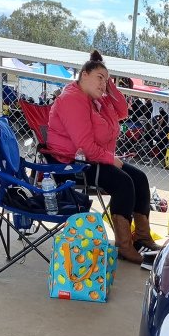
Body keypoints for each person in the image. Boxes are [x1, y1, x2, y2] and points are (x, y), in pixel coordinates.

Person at [46, 49, 159, 265]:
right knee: (123, 182)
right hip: (71, 164)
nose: (103, 84)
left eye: (106, 80)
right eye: (99, 78)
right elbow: (84, 145)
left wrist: (108, 84)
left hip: (91, 159)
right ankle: (124, 245)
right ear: (84, 75)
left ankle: (142, 238)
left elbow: (123, 111)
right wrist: (110, 159)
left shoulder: (96, 100)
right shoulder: (72, 99)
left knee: (140, 178)